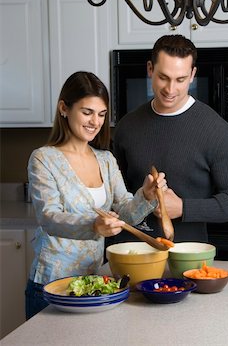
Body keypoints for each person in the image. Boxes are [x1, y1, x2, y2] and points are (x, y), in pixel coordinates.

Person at [25, 71, 166, 319]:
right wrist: (94, 225)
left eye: (101, 114)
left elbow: (125, 213)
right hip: (52, 284)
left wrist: (145, 194)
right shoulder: (43, 158)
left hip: (93, 282)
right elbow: (49, 217)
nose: (95, 122)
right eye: (87, 112)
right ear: (64, 108)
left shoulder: (106, 159)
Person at [113, 35, 228, 243]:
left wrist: (182, 208)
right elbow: (116, 197)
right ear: (150, 69)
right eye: (163, 77)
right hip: (132, 255)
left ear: (192, 75)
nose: (170, 89)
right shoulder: (126, 126)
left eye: (180, 79)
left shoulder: (215, 130)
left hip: (187, 258)